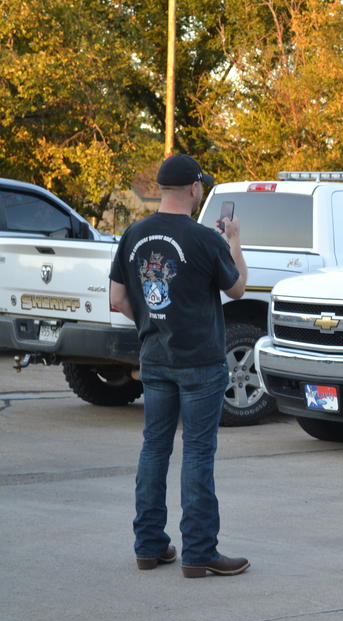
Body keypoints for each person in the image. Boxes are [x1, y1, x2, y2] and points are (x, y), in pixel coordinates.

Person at [109, 154, 250, 578]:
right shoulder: (206, 238)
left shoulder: (133, 235)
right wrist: (235, 242)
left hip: (155, 359)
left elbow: (117, 300)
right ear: (193, 189)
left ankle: (149, 547)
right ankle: (199, 552)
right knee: (197, 453)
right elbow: (239, 289)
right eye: (201, 185)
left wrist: (153, 325)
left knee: (154, 448)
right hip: (201, 363)